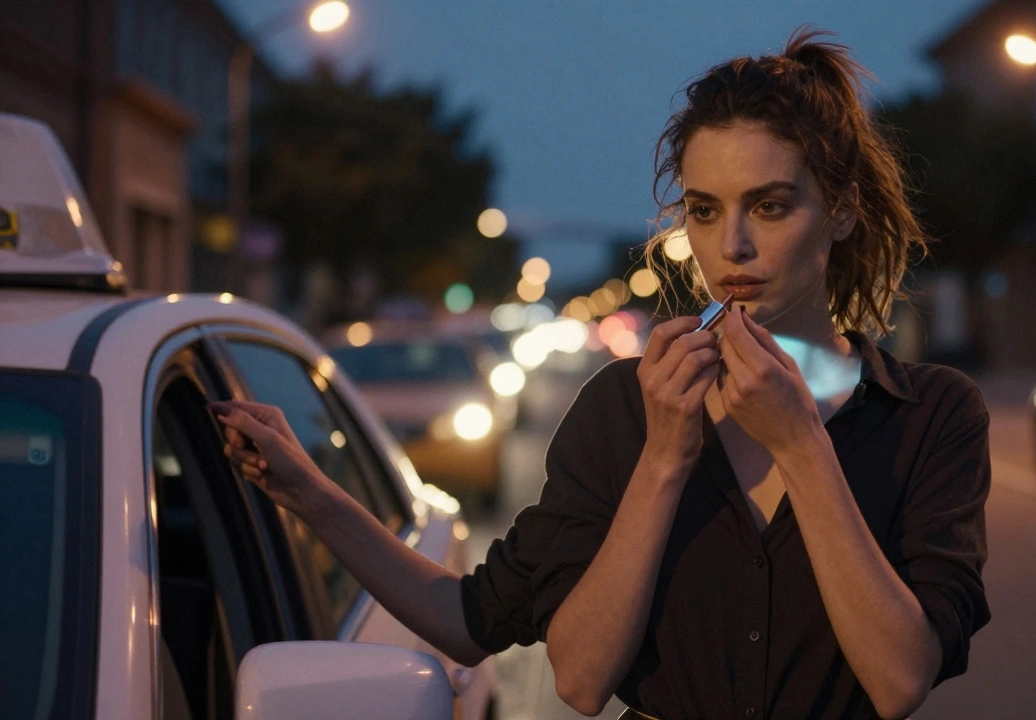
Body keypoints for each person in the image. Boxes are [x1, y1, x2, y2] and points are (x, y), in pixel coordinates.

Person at [214, 28, 990, 720]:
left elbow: (898, 680)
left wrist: (802, 447)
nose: (734, 246)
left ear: (843, 211)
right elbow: (557, 670)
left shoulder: (931, 416)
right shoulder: (629, 407)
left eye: (773, 205)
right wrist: (305, 491)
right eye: (706, 210)